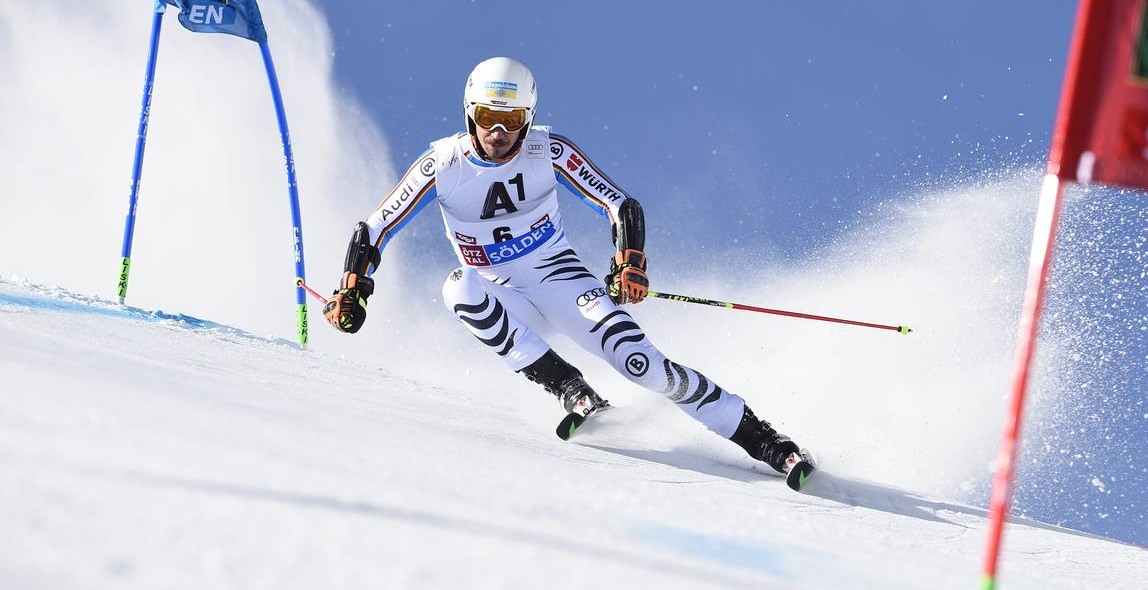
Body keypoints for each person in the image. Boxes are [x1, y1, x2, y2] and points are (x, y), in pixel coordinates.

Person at [324, 56, 810, 475]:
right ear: (469, 112)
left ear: (528, 116)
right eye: (489, 116)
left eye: (511, 120)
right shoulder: (443, 163)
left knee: (642, 366)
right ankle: (572, 389)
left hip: (560, 281)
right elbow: (375, 226)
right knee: (458, 288)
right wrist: (353, 287)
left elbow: (621, 204)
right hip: (506, 295)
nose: (498, 132)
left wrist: (628, 263)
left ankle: (765, 441)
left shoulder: (546, 150)